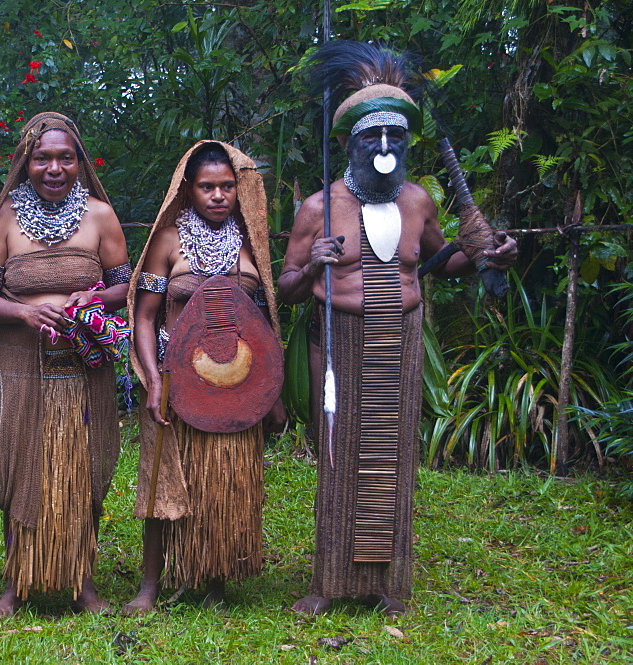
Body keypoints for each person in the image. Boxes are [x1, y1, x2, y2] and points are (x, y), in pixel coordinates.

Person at [278, 42, 517, 615]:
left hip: (400, 338)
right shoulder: (319, 208)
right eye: (371, 138)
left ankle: (389, 583)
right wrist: (314, 263)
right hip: (338, 340)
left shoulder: (418, 202)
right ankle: (328, 583)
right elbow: (283, 288)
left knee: (391, 455)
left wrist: (488, 255)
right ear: (347, 144)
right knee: (338, 454)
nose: (384, 148)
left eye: (396, 138)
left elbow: (442, 263)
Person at [0, 112, 130, 616]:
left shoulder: (101, 216)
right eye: (43, 158)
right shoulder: (5, 220)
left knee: (82, 472)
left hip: (85, 369)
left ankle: (82, 584)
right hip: (25, 368)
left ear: (80, 163)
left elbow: (127, 284)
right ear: (26, 164)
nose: (54, 167)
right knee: (22, 470)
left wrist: (94, 300)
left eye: (65, 157)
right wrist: (22, 310)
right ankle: (16, 584)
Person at [123, 141, 282, 614]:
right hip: (177, 381)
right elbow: (145, 317)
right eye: (207, 186)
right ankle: (151, 583)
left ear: (239, 189)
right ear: (187, 189)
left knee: (224, 482)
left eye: (227, 186)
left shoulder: (253, 240)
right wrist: (154, 379)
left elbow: (266, 318)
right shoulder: (168, 241)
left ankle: (214, 576)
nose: (218, 195)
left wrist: (270, 393)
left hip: (238, 384)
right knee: (164, 480)